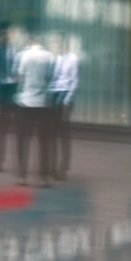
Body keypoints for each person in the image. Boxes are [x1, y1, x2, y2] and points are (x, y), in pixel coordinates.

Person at [14, 33, 55, 187]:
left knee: (22, 140)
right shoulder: (49, 57)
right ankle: (43, 177)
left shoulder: (25, 56)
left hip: (25, 103)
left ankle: (22, 176)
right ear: (41, 42)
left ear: (31, 41)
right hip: (43, 104)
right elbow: (51, 77)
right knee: (43, 141)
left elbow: (19, 77)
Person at [0, 25, 18, 172]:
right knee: (2, 127)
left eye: (8, 34)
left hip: (14, 90)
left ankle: (18, 163)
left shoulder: (15, 49)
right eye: (4, 34)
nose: (6, 36)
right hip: (2, 91)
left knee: (17, 127)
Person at [49, 34, 79, 180]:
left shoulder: (73, 59)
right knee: (53, 133)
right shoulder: (56, 59)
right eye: (56, 44)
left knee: (63, 133)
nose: (58, 47)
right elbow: (53, 80)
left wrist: (67, 100)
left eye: (60, 44)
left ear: (65, 44)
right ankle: (53, 167)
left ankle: (63, 167)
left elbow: (74, 81)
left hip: (65, 95)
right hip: (55, 95)